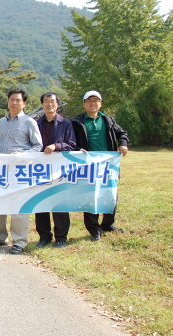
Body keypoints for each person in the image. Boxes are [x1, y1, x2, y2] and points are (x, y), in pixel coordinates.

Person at [0, 89, 42, 254]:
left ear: (24, 103)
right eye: (12, 99)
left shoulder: (29, 122)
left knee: (19, 206)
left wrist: (22, 155)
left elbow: (38, 146)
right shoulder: (1, 122)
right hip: (0, 170)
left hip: (20, 171)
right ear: (8, 101)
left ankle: (19, 241)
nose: (14, 103)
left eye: (18, 100)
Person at [71, 90, 129, 241]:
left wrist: (123, 144)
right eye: (89, 101)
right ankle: (94, 229)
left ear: (100, 104)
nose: (92, 103)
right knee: (91, 196)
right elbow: (71, 141)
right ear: (84, 104)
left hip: (108, 164)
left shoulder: (108, 120)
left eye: (96, 100)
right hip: (88, 165)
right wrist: (77, 149)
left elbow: (122, 133)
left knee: (110, 195)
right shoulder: (77, 122)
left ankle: (107, 224)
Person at [34, 92, 76, 248]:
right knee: (41, 203)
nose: (49, 104)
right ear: (42, 104)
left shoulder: (65, 123)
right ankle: (44, 237)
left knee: (59, 203)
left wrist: (56, 146)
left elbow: (72, 145)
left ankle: (61, 237)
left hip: (59, 170)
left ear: (57, 104)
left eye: (52, 102)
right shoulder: (36, 124)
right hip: (40, 170)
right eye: (46, 101)